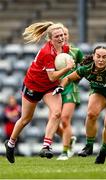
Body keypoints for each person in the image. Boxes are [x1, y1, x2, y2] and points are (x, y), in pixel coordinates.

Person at [53, 45, 106, 164]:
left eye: (104, 57)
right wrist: (61, 87)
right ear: (93, 57)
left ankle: (103, 151)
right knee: (91, 114)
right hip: (99, 92)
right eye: (98, 56)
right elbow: (68, 78)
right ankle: (89, 146)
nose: (101, 60)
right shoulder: (87, 68)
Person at [4, 21, 75, 163]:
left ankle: (46, 146)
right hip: (33, 85)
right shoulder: (47, 52)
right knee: (25, 119)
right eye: (57, 36)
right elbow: (52, 76)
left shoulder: (65, 48)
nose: (61, 38)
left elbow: (56, 76)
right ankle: (11, 144)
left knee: (56, 113)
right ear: (50, 39)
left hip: (49, 87)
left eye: (62, 35)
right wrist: (67, 68)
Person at [56, 26, 83, 160]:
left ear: (68, 36)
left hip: (70, 88)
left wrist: (76, 79)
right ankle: (70, 139)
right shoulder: (52, 51)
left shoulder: (76, 51)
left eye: (65, 34)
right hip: (55, 89)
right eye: (61, 34)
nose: (63, 37)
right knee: (54, 125)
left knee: (65, 119)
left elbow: (83, 68)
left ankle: (65, 151)